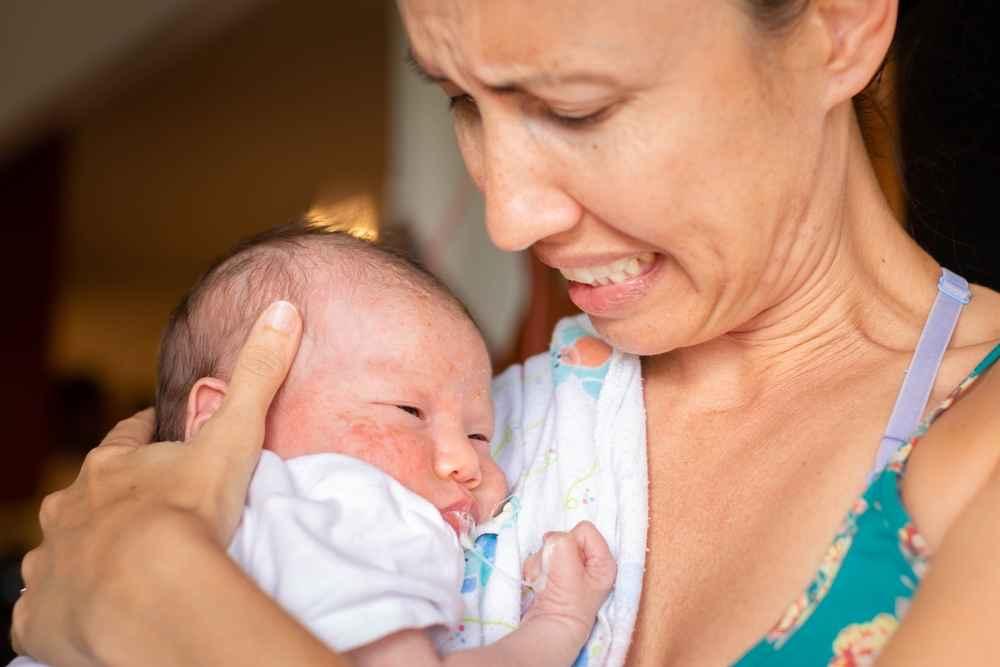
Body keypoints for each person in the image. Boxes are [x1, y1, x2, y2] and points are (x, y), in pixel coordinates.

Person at [12, 0, 1000, 665]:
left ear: (839, 26)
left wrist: (167, 600)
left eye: (574, 108)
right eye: (461, 101)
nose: (508, 217)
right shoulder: (475, 427)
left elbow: (139, 581)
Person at [10, 222, 616, 667]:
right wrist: (559, 620)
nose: (465, 462)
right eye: (408, 412)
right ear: (225, 421)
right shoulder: (348, 505)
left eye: (480, 433)